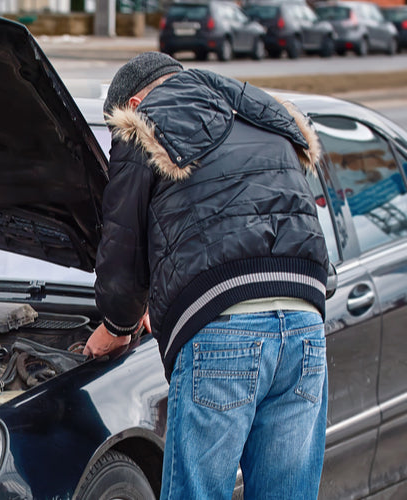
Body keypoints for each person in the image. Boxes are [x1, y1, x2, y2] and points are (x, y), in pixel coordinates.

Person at [82, 52, 329, 499]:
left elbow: (123, 245)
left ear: (133, 103)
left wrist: (116, 326)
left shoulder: (143, 125)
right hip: (305, 324)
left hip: (225, 333)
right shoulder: (263, 115)